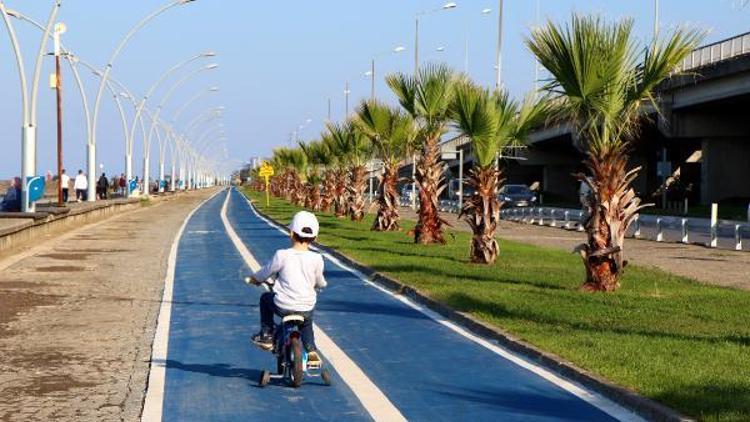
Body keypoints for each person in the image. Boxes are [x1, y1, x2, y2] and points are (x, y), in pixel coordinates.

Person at [247, 211, 327, 364]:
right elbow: (319, 280)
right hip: (306, 306)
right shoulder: (317, 258)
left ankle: (267, 334)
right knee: (306, 323)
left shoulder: (282, 255)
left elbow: (266, 271)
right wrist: (321, 285)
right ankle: (311, 351)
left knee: (265, 299)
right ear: (315, 237)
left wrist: (255, 279)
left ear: (291, 233)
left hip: (283, 305)